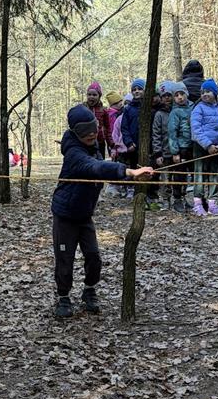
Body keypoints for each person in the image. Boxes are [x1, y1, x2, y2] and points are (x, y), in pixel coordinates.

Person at [52, 105, 153, 318]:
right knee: (65, 258)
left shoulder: (94, 147)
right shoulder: (74, 153)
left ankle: (89, 291)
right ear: (75, 133)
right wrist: (129, 171)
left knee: (94, 257)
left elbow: (103, 169)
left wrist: (132, 176)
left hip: (84, 214)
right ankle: (63, 297)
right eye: (85, 131)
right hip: (65, 215)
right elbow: (95, 167)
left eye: (93, 129)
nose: (91, 134)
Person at [190, 78, 218, 216]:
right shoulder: (198, 108)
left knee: (214, 175)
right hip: (201, 147)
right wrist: (207, 145)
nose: (205, 94)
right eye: (202, 92)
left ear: (215, 93)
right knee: (199, 175)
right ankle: (198, 203)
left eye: (208, 91)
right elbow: (196, 129)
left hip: (216, 148)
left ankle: (212, 203)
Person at [166, 81, 194, 213]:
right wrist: (175, 152)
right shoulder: (175, 112)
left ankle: (185, 198)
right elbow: (172, 133)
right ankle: (177, 199)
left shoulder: (193, 108)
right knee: (179, 174)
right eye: (176, 95)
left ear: (186, 94)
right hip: (181, 148)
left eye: (182, 94)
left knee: (190, 175)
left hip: (192, 147)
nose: (180, 97)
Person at [150, 81, 176, 209]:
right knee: (165, 178)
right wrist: (158, 153)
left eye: (169, 95)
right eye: (164, 96)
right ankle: (166, 199)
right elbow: (156, 135)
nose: (167, 98)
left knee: (178, 177)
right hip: (164, 153)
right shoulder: (159, 114)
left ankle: (179, 198)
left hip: (177, 152)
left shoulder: (177, 111)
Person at [120, 78, 146, 199]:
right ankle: (131, 188)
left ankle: (145, 190)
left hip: (146, 145)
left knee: (145, 167)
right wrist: (129, 142)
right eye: (134, 89)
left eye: (139, 89)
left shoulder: (148, 107)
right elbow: (124, 128)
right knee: (132, 166)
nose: (136, 91)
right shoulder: (128, 109)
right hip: (133, 145)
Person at [85, 81, 111, 156]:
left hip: (100, 142)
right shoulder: (83, 108)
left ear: (99, 96)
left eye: (94, 95)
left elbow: (108, 128)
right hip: (86, 142)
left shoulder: (103, 110)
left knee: (100, 161)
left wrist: (111, 143)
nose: (91, 97)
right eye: (89, 94)